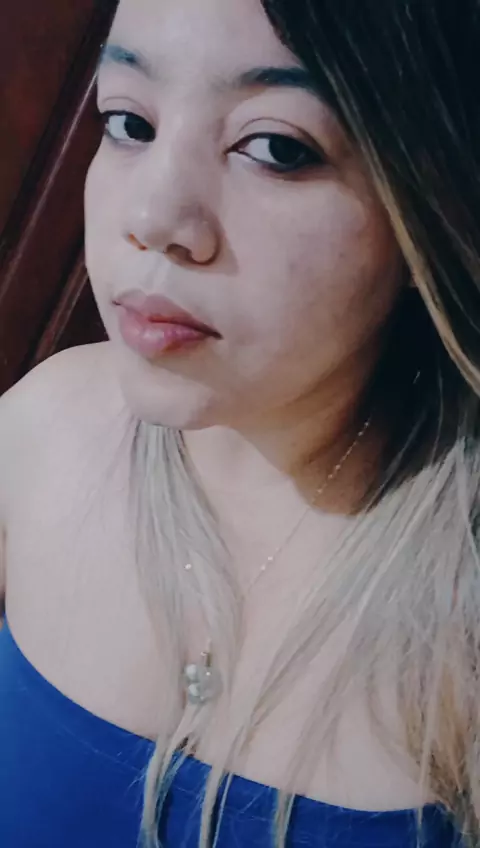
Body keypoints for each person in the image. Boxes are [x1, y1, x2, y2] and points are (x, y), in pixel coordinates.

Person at [0, 0, 478, 845]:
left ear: (429, 201)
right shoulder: (41, 432)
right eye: (129, 122)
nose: (153, 219)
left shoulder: (457, 599)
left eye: (278, 148)